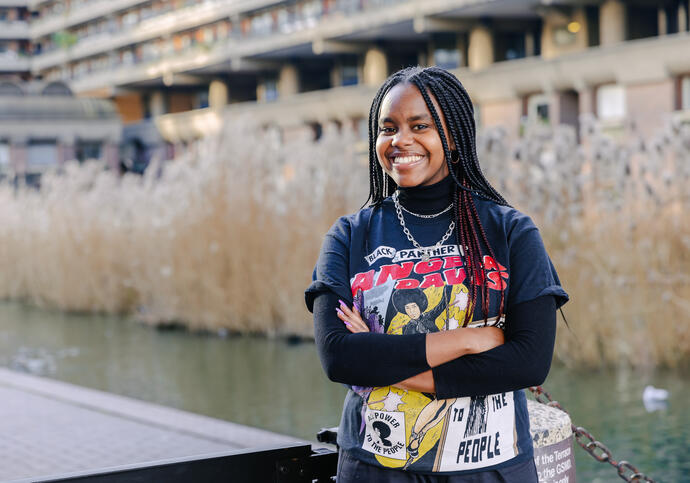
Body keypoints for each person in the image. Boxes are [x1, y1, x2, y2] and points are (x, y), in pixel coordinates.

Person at [305, 66, 568, 482]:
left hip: (490, 471)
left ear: (454, 137)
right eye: (387, 128)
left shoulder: (509, 231)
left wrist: (385, 363)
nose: (400, 141)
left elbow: (528, 362)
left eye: (419, 125)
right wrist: (468, 339)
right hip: (376, 470)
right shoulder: (350, 234)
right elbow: (339, 356)